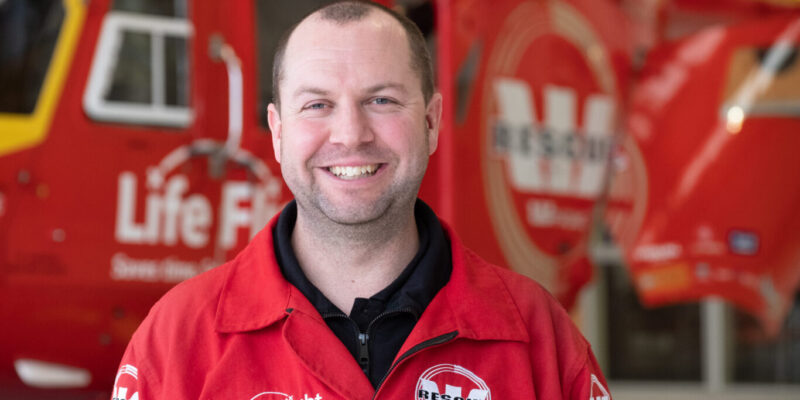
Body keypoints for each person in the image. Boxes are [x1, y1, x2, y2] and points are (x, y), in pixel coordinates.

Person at [111, 1, 612, 399]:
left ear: (432, 122)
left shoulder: (540, 342)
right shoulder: (176, 341)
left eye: (382, 100)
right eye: (317, 105)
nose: (350, 135)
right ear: (278, 132)